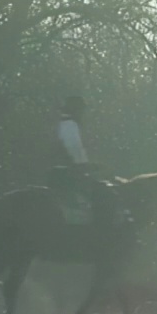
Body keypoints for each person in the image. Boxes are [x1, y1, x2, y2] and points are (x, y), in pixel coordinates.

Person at [47, 95, 114, 228]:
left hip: (61, 171)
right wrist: (91, 167)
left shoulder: (61, 124)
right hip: (68, 174)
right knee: (102, 193)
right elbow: (75, 153)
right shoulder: (69, 126)